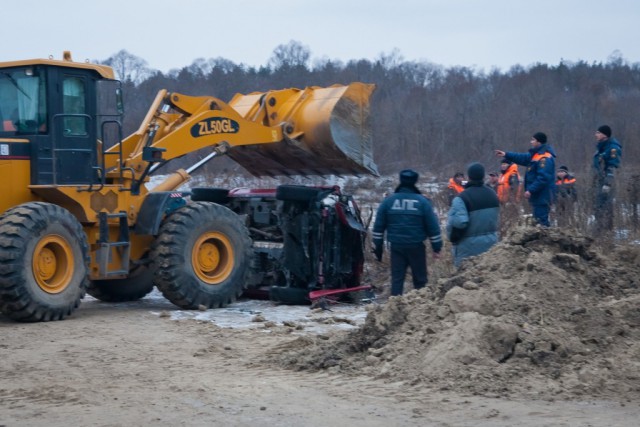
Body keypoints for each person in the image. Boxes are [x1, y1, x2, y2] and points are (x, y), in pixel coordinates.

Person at [372, 169, 443, 296]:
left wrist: (378, 248)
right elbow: (433, 227)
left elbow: (378, 228)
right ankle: (420, 308)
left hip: (396, 247)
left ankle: (394, 308)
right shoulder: (422, 202)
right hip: (416, 247)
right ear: (414, 182)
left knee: (397, 280)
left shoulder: (388, 201)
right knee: (420, 281)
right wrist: (436, 247)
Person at [495, 132, 556, 227]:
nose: (531, 142)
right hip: (538, 196)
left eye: (533, 140)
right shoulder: (535, 155)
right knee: (538, 221)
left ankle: (545, 241)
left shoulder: (544, 158)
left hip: (543, 196)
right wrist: (506, 154)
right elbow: (521, 157)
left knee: (542, 222)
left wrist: (531, 190)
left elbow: (543, 178)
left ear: (538, 142)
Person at [446, 163, 500, 267]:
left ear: (469, 177)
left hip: (468, 248)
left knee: (466, 280)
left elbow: (460, 223)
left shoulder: (462, 198)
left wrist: (453, 239)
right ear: (483, 176)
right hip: (492, 244)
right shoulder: (493, 194)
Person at [592, 125, 622, 232]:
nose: (596, 135)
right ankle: (600, 231)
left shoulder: (613, 148)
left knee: (606, 208)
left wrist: (608, 183)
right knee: (598, 208)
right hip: (599, 181)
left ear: (604, 134)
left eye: (598, 132)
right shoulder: (601, 148)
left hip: (607, 183)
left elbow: (613, 167)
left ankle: (606, 234)